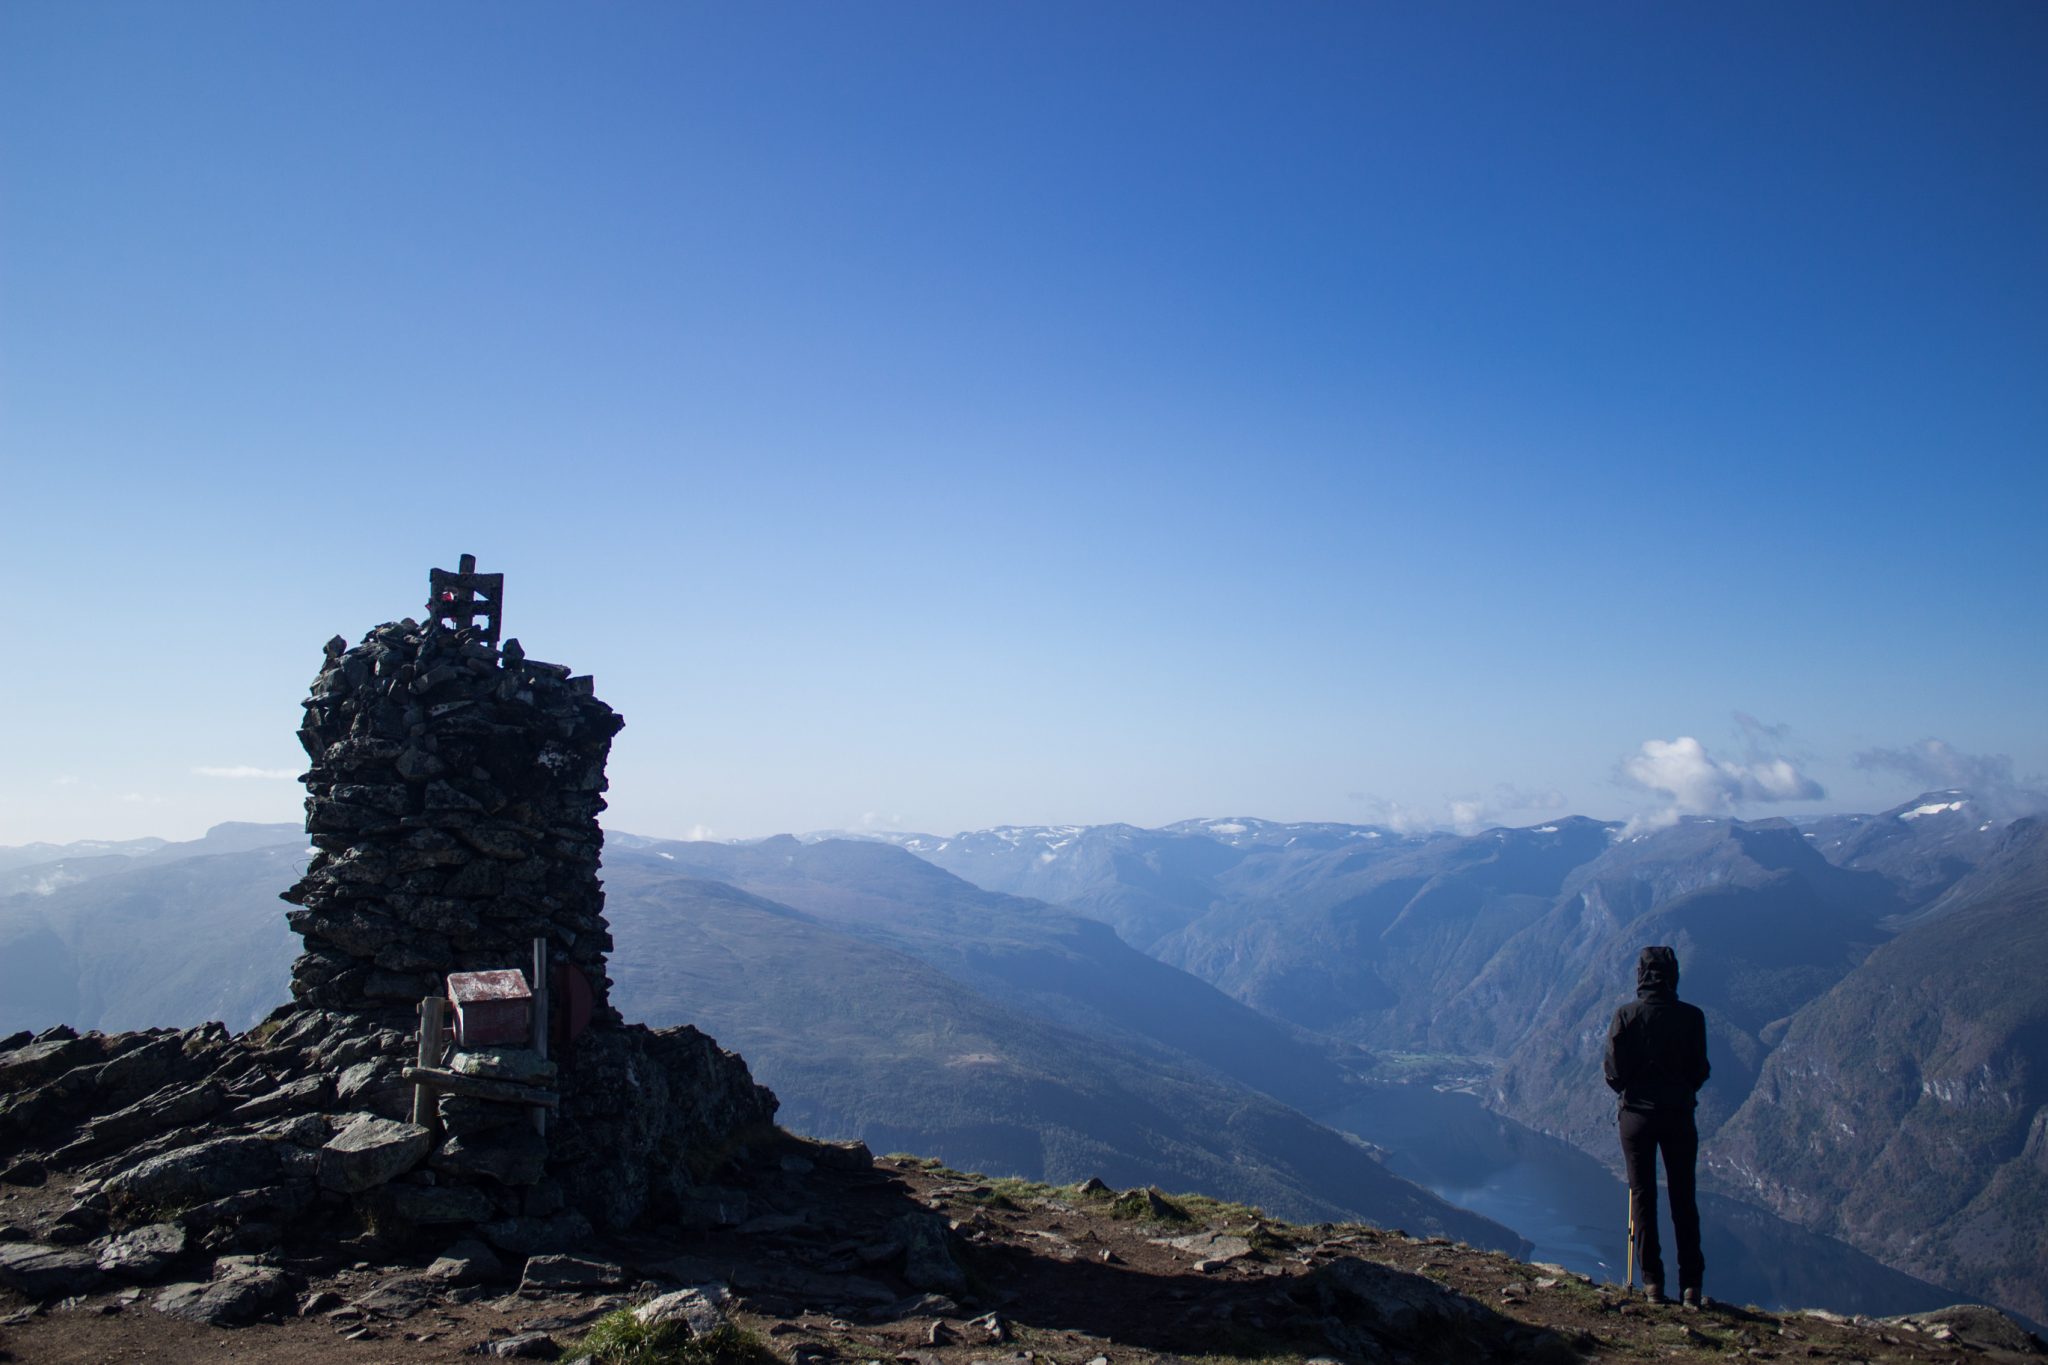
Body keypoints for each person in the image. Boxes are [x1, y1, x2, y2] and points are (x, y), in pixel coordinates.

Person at [1604, 944, 1710, 1308]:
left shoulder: (1626, 1016)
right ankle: (1691, 1287)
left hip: (1636, 1117)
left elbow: (1614, 1074)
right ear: (1673, 975)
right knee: (1684, 1196)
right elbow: (1701, 1071)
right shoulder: (1692, 1017)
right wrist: (1678, 1091)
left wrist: (1635, 1091)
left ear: (1640, 976)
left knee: (1642, 1196)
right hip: (1679, 1115)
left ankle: (1652, 1284)